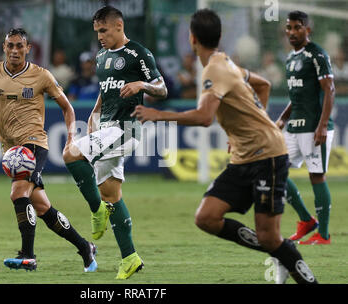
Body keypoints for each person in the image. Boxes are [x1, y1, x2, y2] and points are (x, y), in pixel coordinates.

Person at [132, 8, 318, 284]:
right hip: (244, 158)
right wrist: (252, 126)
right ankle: (278, 249)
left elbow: (205, 118)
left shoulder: (215, 69)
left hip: (268, 156)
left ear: (192, 39)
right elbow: (264, 85)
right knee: (206, 217)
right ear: (218, 37)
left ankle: (289, 258)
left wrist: (160, 115)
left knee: (269, 235)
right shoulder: (226, 63)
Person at [0, 28, 97, 272]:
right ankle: (84, 247)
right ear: (4, 48)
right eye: (10, 46)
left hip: (34, 145)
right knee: (42, 208)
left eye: (20, 46)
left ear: (28, 49)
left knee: (18, 193)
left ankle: (28, 256)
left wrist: (70, 138)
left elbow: (68, 108)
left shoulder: (42, 76)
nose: (15, 50)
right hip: (10, 149)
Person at [62, 6, 167, 279]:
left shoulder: (138, 53)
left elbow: (162, 87)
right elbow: (105, 90)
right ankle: (130, 257)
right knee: (111, 193)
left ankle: (96, 211)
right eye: (97, 31)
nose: (100, 36)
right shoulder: (101, 56)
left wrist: (142, 86)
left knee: (72, 154)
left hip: (127, 128)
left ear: (119, 26)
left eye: (104, 30)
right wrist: (95, 112)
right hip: (107, 126)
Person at [276, 11, 335, 245]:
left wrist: (322, 125)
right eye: (289, 28)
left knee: (316, 175)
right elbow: (298, 95)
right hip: (295, 127)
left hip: (314, 127)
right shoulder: (291, 58)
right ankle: (306, 220)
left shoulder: (317, 54)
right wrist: (282, 119)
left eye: (297, 27)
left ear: (307, 30)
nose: (292, 32)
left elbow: (329, 90)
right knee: (276, 170)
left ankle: (324, 234)